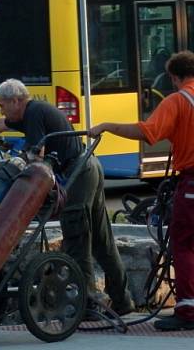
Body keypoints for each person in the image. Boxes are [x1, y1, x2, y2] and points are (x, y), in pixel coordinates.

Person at [0, 78, 135, 316]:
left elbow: (35, 153)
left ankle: (87, 304)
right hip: (89, 165)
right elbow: (1, 124)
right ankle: (123, 300)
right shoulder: (30, 112)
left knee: (77, 238)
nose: (1, 109)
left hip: (77, 172)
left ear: (16, 100)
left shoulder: (33, 113)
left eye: (3, 104)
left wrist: (19, 162)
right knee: (102, 239)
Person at [91, 50, 194, 331]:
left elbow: (148, 132)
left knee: (184, 243)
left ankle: (187, 311)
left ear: (174, 77)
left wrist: (109, 126)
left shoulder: (179, 100)